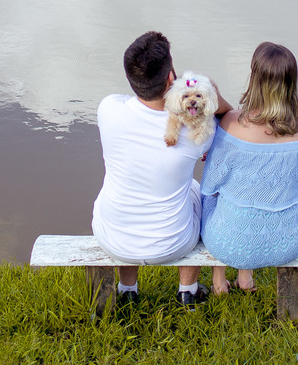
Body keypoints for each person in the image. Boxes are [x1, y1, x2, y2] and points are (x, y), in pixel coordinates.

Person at [91, 31, 232, 308]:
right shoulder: (199, 135)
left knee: (124, 187)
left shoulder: (107, 109)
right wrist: (212, 91)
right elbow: (224, 112)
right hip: (173, 242)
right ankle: (187, 291)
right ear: (171, 78)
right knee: (197, 191)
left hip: (113, 238)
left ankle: (127, 289)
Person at [199, 41, 298, 296]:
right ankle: (246, 278)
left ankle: (219, 280)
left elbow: (211, 184)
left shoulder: (233, 123)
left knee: (209, 195)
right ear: (291, 80)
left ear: (255, 78)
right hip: (291, 238)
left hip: (230, 244)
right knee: (259, 189)